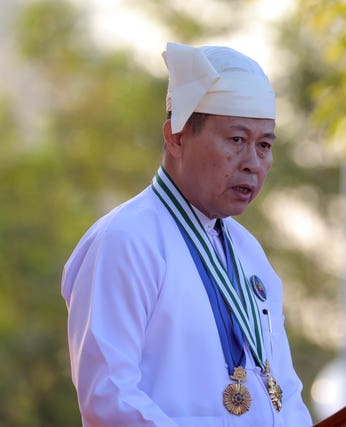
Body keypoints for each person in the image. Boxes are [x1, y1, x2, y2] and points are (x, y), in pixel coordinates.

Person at [61, 41, 313, 426]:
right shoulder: (126, 240)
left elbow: (287, 392)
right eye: (236, 140)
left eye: (264, 145)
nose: (252, 163)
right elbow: (109, 397)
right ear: (176, 136)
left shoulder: (248, 252)